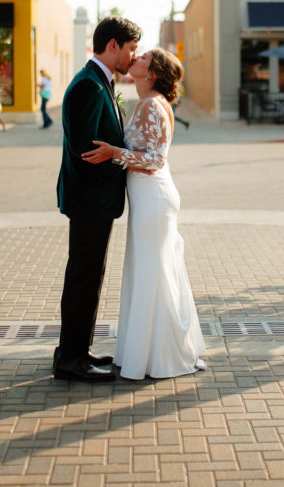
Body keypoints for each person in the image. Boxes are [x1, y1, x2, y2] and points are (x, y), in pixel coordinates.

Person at [83, 48, 206, 380]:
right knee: (150, 272)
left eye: (143, 59)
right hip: (147, 200)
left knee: (154, 273)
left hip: (155, 200)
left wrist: (114, 153)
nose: (134, 59)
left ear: (151, 73)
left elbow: (154, 161)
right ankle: (148, 353)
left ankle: (161, 357)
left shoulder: (153, 105)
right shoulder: (146, 103)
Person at [54, 16, 141, 383]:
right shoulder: (89, 86)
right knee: (83, 278)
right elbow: (85, 151)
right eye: (131, 49)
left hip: (94, 202)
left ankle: (77, 349)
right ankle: (70, 359)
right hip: (90, 201)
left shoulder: (98, 82)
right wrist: (121, 161)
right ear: (113, 45)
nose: (132, 57)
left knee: (89, 276)